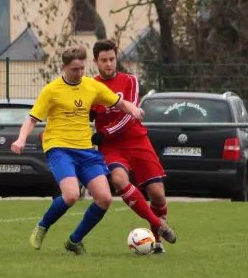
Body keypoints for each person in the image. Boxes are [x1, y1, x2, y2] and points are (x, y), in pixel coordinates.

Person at [12, 45, 156, 255]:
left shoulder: (91, 86)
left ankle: (75, 240)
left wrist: (132, 108)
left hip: (86, 150)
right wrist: (21, 139)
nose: (79, 73)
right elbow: (32, 119)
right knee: (71, 195)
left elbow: (118, 102)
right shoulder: (52, 90)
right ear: (64, 67)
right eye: (74, 69)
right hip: (59, 148)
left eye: (82, 68)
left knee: (105, 199)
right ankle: (43, 226)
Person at [90, 39, 176, 253]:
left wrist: (104, 132)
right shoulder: (90, 86)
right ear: (95, 62)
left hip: (136, 140)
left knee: (157, 194)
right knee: (119, 179)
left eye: (112, 59)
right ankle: (158, 226)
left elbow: (130, 116)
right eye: (104, 60)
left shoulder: (130, 81)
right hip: (111, 147)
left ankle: (156, 241)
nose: (109, 64)